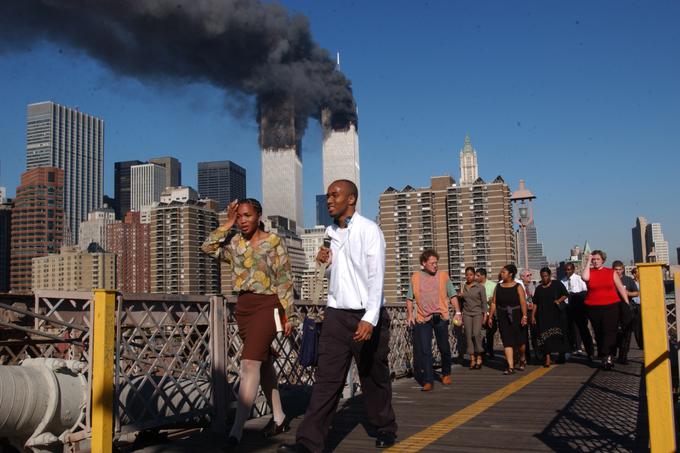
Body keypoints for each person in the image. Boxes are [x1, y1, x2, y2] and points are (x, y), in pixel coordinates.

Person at [279, 180, 397, 453]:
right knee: (326, 381)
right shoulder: (330, 233)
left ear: (352, 199)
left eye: (336, 195)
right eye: (329, 195)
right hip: (335, 316)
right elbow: (340, 277)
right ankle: (309, 443)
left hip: (367, 315)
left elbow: (375, 276)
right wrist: (327, 263)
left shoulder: (370, 230)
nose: (329, 200)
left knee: (373, 377)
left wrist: (370, 317)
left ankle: (385, 426)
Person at [201, 198, 294, 447]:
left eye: (247, 216)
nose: (242, 221)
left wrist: (290, 315)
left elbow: (284, 279)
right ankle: (279, 416)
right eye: (239, 216)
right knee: (263, 364)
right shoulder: (234, 243)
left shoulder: (273, 242)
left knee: (250, 363)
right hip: (243, 307)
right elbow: (207, 247)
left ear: (259, 216)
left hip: (268, 304)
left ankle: (236, 430)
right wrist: (227, 222)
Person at [406, 249, 460, 390]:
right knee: (425, 350)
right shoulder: (416, 277)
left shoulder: (443, 276)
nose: (435, 265)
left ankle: (446, 373)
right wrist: (410, 315)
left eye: (436, 263)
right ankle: (428, 380)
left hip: (440, 317)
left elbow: (453, 295)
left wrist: (458, 312)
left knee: (444, 348)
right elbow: (409, 298)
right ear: (424, 263)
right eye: (432, 263)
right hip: (423, 319)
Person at [582, 250, 630, 370]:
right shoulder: (590, 272)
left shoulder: (611, 272)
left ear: (603, 260)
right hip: (593, 307)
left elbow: (620, 288)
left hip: (611, 306)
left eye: (598, 259)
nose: (595, 261)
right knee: (598, 332)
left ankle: (609, 356)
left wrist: (626, 304)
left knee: (610, 331)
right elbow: (584, 277)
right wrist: (588, 261)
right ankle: (603, 355)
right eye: (594, 259)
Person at [487, 264, 528, 374]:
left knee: (521, 343)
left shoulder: (518, 286)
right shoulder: (498, 287)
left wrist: (524, 316)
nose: (501, 274)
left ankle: (522, 357)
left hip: (517, 315)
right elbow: (494, 303)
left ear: (510, 274)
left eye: (504, 272)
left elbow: (523, 303)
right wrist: (490, 316)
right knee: (507, 340)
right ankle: (510, 366)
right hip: (503, 316)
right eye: (501, 272)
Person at [532, 267, 570, 367]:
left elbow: (565, 294)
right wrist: (533, 316)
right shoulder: (539, 288)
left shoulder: (557, 284)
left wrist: (558, 300)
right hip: (543, 315)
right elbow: (535, 303)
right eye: (542, 276)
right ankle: (547, 359)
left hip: (556, 314)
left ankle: (561, 355)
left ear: (549, 275)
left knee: (559, 335)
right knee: (545, 337)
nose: (544, 278)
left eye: (546, 276)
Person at [560, 262, 594, 360]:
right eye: (566, 270)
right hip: (568, 308)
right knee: (569, 330)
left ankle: (590, 352)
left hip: (578, 307)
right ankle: (571, 349)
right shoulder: (563, 281)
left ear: (573, 269)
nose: (567, 271)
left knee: (583, 330)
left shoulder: (579, 279)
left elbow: (585, 291)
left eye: (569, 269)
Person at [612, 260, 640, 364]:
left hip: (627, 309)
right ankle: (612, 355)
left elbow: (637, 293)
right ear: (613, 270)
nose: (618, 271)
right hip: (613, 309)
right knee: (613, 333)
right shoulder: (610, 280)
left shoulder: (628, 280)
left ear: (623, 270)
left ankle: (623, 356)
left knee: (626, 333)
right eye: (616, 269)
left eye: (620, 269)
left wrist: (627, 293)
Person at [459, 267, 487, 369]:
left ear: (474, 275)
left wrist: (485, 316)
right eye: (467, 275)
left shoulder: (480, 287)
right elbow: (461, 303)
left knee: (476, 334)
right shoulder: (463, 286)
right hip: (466, 314)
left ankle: (479, 355)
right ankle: (472, 358)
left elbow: (484, 302)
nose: (468, 276)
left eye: (471, 274)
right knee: (468, 335)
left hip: (477, 313)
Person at [476, 268, 497, 358]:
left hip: (490, 313)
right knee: (478, 333)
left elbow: (496, 300)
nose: (476, 278)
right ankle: (482, 351)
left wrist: (490, 300)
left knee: (490, 333)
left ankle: (490, 350)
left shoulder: (493, 285)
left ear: (483, 276)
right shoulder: (475, 286)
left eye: (478, 276)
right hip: (478, 313)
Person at [520, 269, 538, 362]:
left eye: (530, 274)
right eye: (528, 275)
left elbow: (536, 298)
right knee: (524, 334)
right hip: (523, 312)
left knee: (535, 333)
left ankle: (537, 353)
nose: (530, 276)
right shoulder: (520, 286)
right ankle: (527, 356)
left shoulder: (533, 285)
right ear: (522, 277)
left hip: (532, 312)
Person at [630, 267, 643, 348]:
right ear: (634, 274)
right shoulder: (632, 283)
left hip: (644, 305)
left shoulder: (644, 282)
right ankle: (640, 344)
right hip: (636, 306)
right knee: (637, 326)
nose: (638, 274)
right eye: (637, 272)